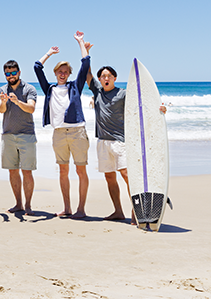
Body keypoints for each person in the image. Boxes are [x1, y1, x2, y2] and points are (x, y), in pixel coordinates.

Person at [86, 59, 167, 222]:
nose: (105, 78)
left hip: (120, 141)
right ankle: (118, 211)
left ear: (114, 78)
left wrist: (160, 108)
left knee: (127, 175)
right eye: (102, 76)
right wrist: (84, 49)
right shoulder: (97, 92)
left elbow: (141, 105)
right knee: (109, 177)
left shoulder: (123, 93)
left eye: (108, 75)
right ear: (100, 79)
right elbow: (87, 74)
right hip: (102, 141)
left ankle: (136, 211)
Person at [34, 31, 91, 219]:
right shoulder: (49, 88)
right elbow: (36, 67)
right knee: (63, 171)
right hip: (59, 134)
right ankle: (67, 208)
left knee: (81, 170)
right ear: (56, 72)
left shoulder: (75, 86)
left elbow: (86, 63)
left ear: (69, 74)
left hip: (77, 133)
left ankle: (81, 209)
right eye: (60, 71)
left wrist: (80, 42)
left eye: (66, 72)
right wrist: (49, 53)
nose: (62, 74)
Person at [0, 60, 38, 215]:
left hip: (27, 135)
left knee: (27, 171)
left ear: (19, 72)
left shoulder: (29, 89)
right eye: (8, 73)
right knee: (12, 171)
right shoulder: (1, 90)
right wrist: (4, 101)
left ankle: (28, 205)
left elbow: (31, 108)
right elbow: (1, 110)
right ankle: (18, 204)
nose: (11, 76)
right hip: (8, 135)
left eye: (13, 73)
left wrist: (17, 101)